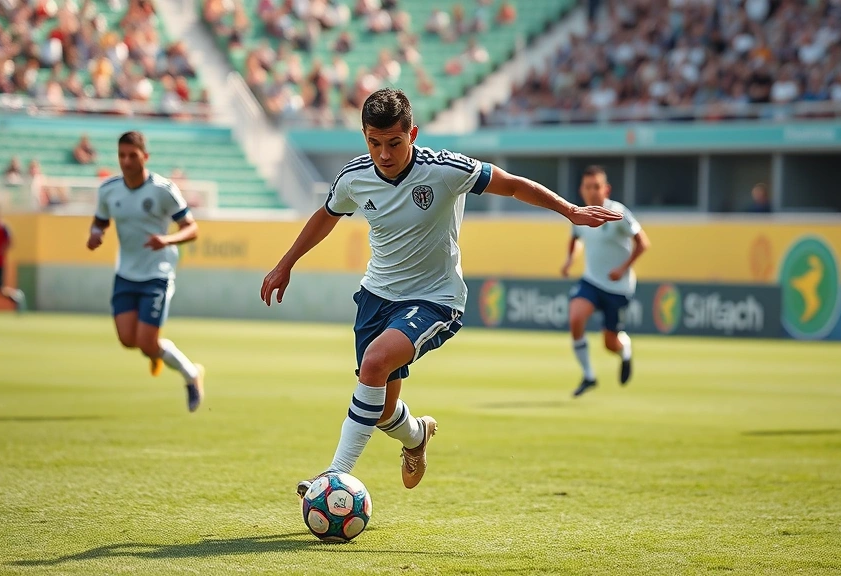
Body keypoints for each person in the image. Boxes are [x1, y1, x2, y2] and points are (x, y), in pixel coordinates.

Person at [259, 88, 621, 497]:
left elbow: (513, 185)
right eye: (373, 143)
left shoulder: (445, 169)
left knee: (375, 363)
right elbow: (327, 216)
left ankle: (332, 475)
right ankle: (416, 436)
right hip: (376, 296)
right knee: (379, 410)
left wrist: (570, 211)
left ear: (412, 133)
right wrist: (285, 263)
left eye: (394, 142)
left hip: (435, 299)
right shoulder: (354, 177)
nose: (384, 154)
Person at [87, 131, 206, 412]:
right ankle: (154, 350)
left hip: (157, 273)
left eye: (132, 155)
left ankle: (191, 375)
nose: (126, 161)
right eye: (121, 156)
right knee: (129, 340)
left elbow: (192, 228)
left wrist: (167, 239)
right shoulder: (108, 190)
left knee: (145, 341)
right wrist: (95, 234)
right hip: (126, 273)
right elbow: (100, 221)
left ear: (145, 157)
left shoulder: (162, 190)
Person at [562, 166, 649, 396]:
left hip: (618, 287)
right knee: (575, 318)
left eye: (596, 186)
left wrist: (622, 269)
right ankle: (589, 375)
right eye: (587, 187)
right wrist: (570, 261)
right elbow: (576, 239)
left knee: (610, 343)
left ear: (606, 189)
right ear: (582, 189)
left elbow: (643, 243)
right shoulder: (579, 215)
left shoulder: (618, 213)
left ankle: (625, 350)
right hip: (592, 281)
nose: (592, 191)